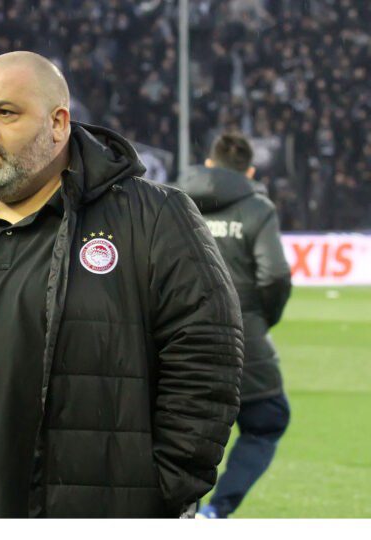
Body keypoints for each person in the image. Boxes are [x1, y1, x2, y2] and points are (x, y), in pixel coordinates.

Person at [0, 51, 244, 518]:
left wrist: (156, 494)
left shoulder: (153, 218)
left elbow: (207, 358)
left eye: (5, 112)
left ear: (58, 123)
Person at [178, 132, 292, 518]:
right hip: (244, 340)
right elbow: (274, 275)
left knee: (181, 433)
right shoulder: (257, 208)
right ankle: (216, 511)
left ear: (209, 164)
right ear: (250, 171)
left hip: (179, 342)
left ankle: (181, 513)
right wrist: (261, 319)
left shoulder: (172, 200)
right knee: (266, 422)